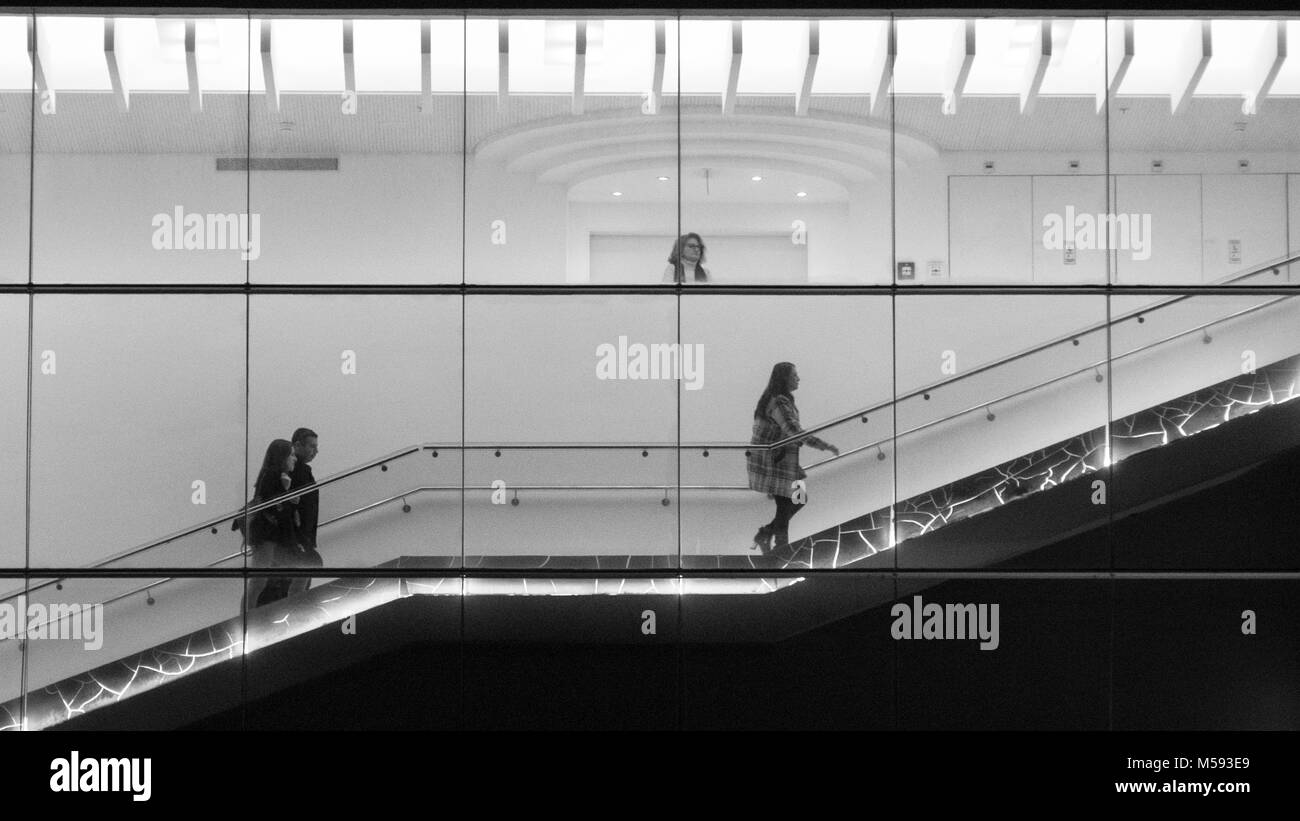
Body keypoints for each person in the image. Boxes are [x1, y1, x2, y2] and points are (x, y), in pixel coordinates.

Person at [746, 362, 839, 554]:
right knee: (787, 503)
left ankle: (767, 534)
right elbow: (793, 431)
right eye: (794, 375)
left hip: (781, 460)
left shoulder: (779, 399)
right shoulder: (779, 401)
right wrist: (823, 445)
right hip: (776, 462)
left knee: (797, 500)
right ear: (784, 378)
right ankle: (781, 547)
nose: (798, 378)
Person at [243, 439, 299, 610]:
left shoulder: (270, 475)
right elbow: (274, 507)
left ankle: (246, 617)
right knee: (258, 582)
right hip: (267, 536)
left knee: (262, 580)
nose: (294, 459)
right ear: (282, 457)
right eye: (291, 455)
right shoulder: (273, 476)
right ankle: (245, 619)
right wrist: (287, 492)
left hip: (270, 536)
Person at [286, 427, 323, 596]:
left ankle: (295, 606)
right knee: (312, 563)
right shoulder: (296, 471)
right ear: (298, 445)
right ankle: (294, 607)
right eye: (312, 447)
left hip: (301, 534)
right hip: (298, 534)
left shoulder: (300, 470)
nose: (315, 451)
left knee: (308, 566)